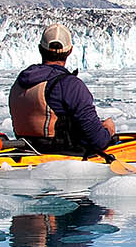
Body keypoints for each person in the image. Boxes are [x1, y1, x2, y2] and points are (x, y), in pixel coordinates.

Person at [8, 23, 117, 155]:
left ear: (40, 49)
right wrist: (108, 130)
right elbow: (98, 141)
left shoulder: (21, 81)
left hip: (26, 150)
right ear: (70, 51)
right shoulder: (70, 85)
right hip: (63, 155)